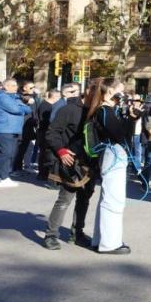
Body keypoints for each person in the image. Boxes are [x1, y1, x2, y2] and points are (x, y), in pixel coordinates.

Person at [88, 78, 142, 254]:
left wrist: (131, 118)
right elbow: (119, 134)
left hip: (114, 154)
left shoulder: (109, 110)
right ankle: (110, 243)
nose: (124, 94)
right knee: (114, 200)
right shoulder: (105, 111)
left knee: (109, 198)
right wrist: (129, 118)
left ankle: (101, 239)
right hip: (113, 154)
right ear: (110, 91)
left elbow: (123, 133)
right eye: (121, 90)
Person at [42, 82, 97, 250]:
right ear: (88, 91)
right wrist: (61, 151)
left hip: (91, 163)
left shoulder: (97, 112)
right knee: (64, 200)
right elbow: (51, 133)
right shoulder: (69, 109)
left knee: (85, 199)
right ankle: (51, 235)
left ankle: (77, 233)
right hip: (71, 163)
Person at [0, 79, 34, 188]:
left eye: (16, 85)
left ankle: (4, 177)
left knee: (10, 154)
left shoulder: (15, 97)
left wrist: (22, 107)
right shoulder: (2, 97)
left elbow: (28, 110)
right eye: (13, 85)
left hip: (14, 129)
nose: (15, 87)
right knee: (5, 153)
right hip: (5, 129)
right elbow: (15, 109)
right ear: (6, 87)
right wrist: (23, 107)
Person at [35, 89, 61, 181]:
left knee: (44, 153)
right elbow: (45, 120)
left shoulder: (48, 105)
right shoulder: (46, 106)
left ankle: (43, 173)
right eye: (59, 97)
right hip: (44, 132)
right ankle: (42, 173)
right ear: (55, 96)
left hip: (43, 131)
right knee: (44, 154)